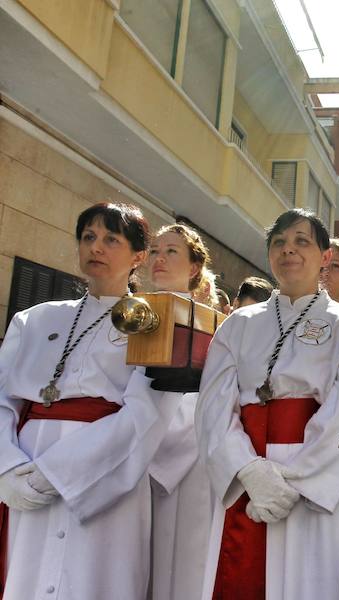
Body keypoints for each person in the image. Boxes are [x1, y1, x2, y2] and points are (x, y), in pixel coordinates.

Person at [196, 208, 339, 599]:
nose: (289, 251)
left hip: (314, 476)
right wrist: (249, 471)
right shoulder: (238, 324)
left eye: (302, 242)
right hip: (249, 474)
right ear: (269, 255)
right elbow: (213, 404)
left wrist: (295, 482)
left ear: (325, 257)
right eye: (279, 243)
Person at [0, 203, 177, 598]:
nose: (96, 247)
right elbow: (2, 400)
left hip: (105, 475)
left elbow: (146, 414)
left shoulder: (155, 325)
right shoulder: (34, 319)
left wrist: (59, 472)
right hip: (25, 470)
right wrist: (7, 468)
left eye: (111, 239)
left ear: (138, 256)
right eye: (88, 237)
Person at [146, 223, 218, 600]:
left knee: (187, 561)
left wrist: (167, 438)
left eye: (171, 251)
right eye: (155, 250)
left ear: (194, 267)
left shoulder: (216, 326)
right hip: (129, 453)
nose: (159, 258)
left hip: (192, 456)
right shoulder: (131, 314)